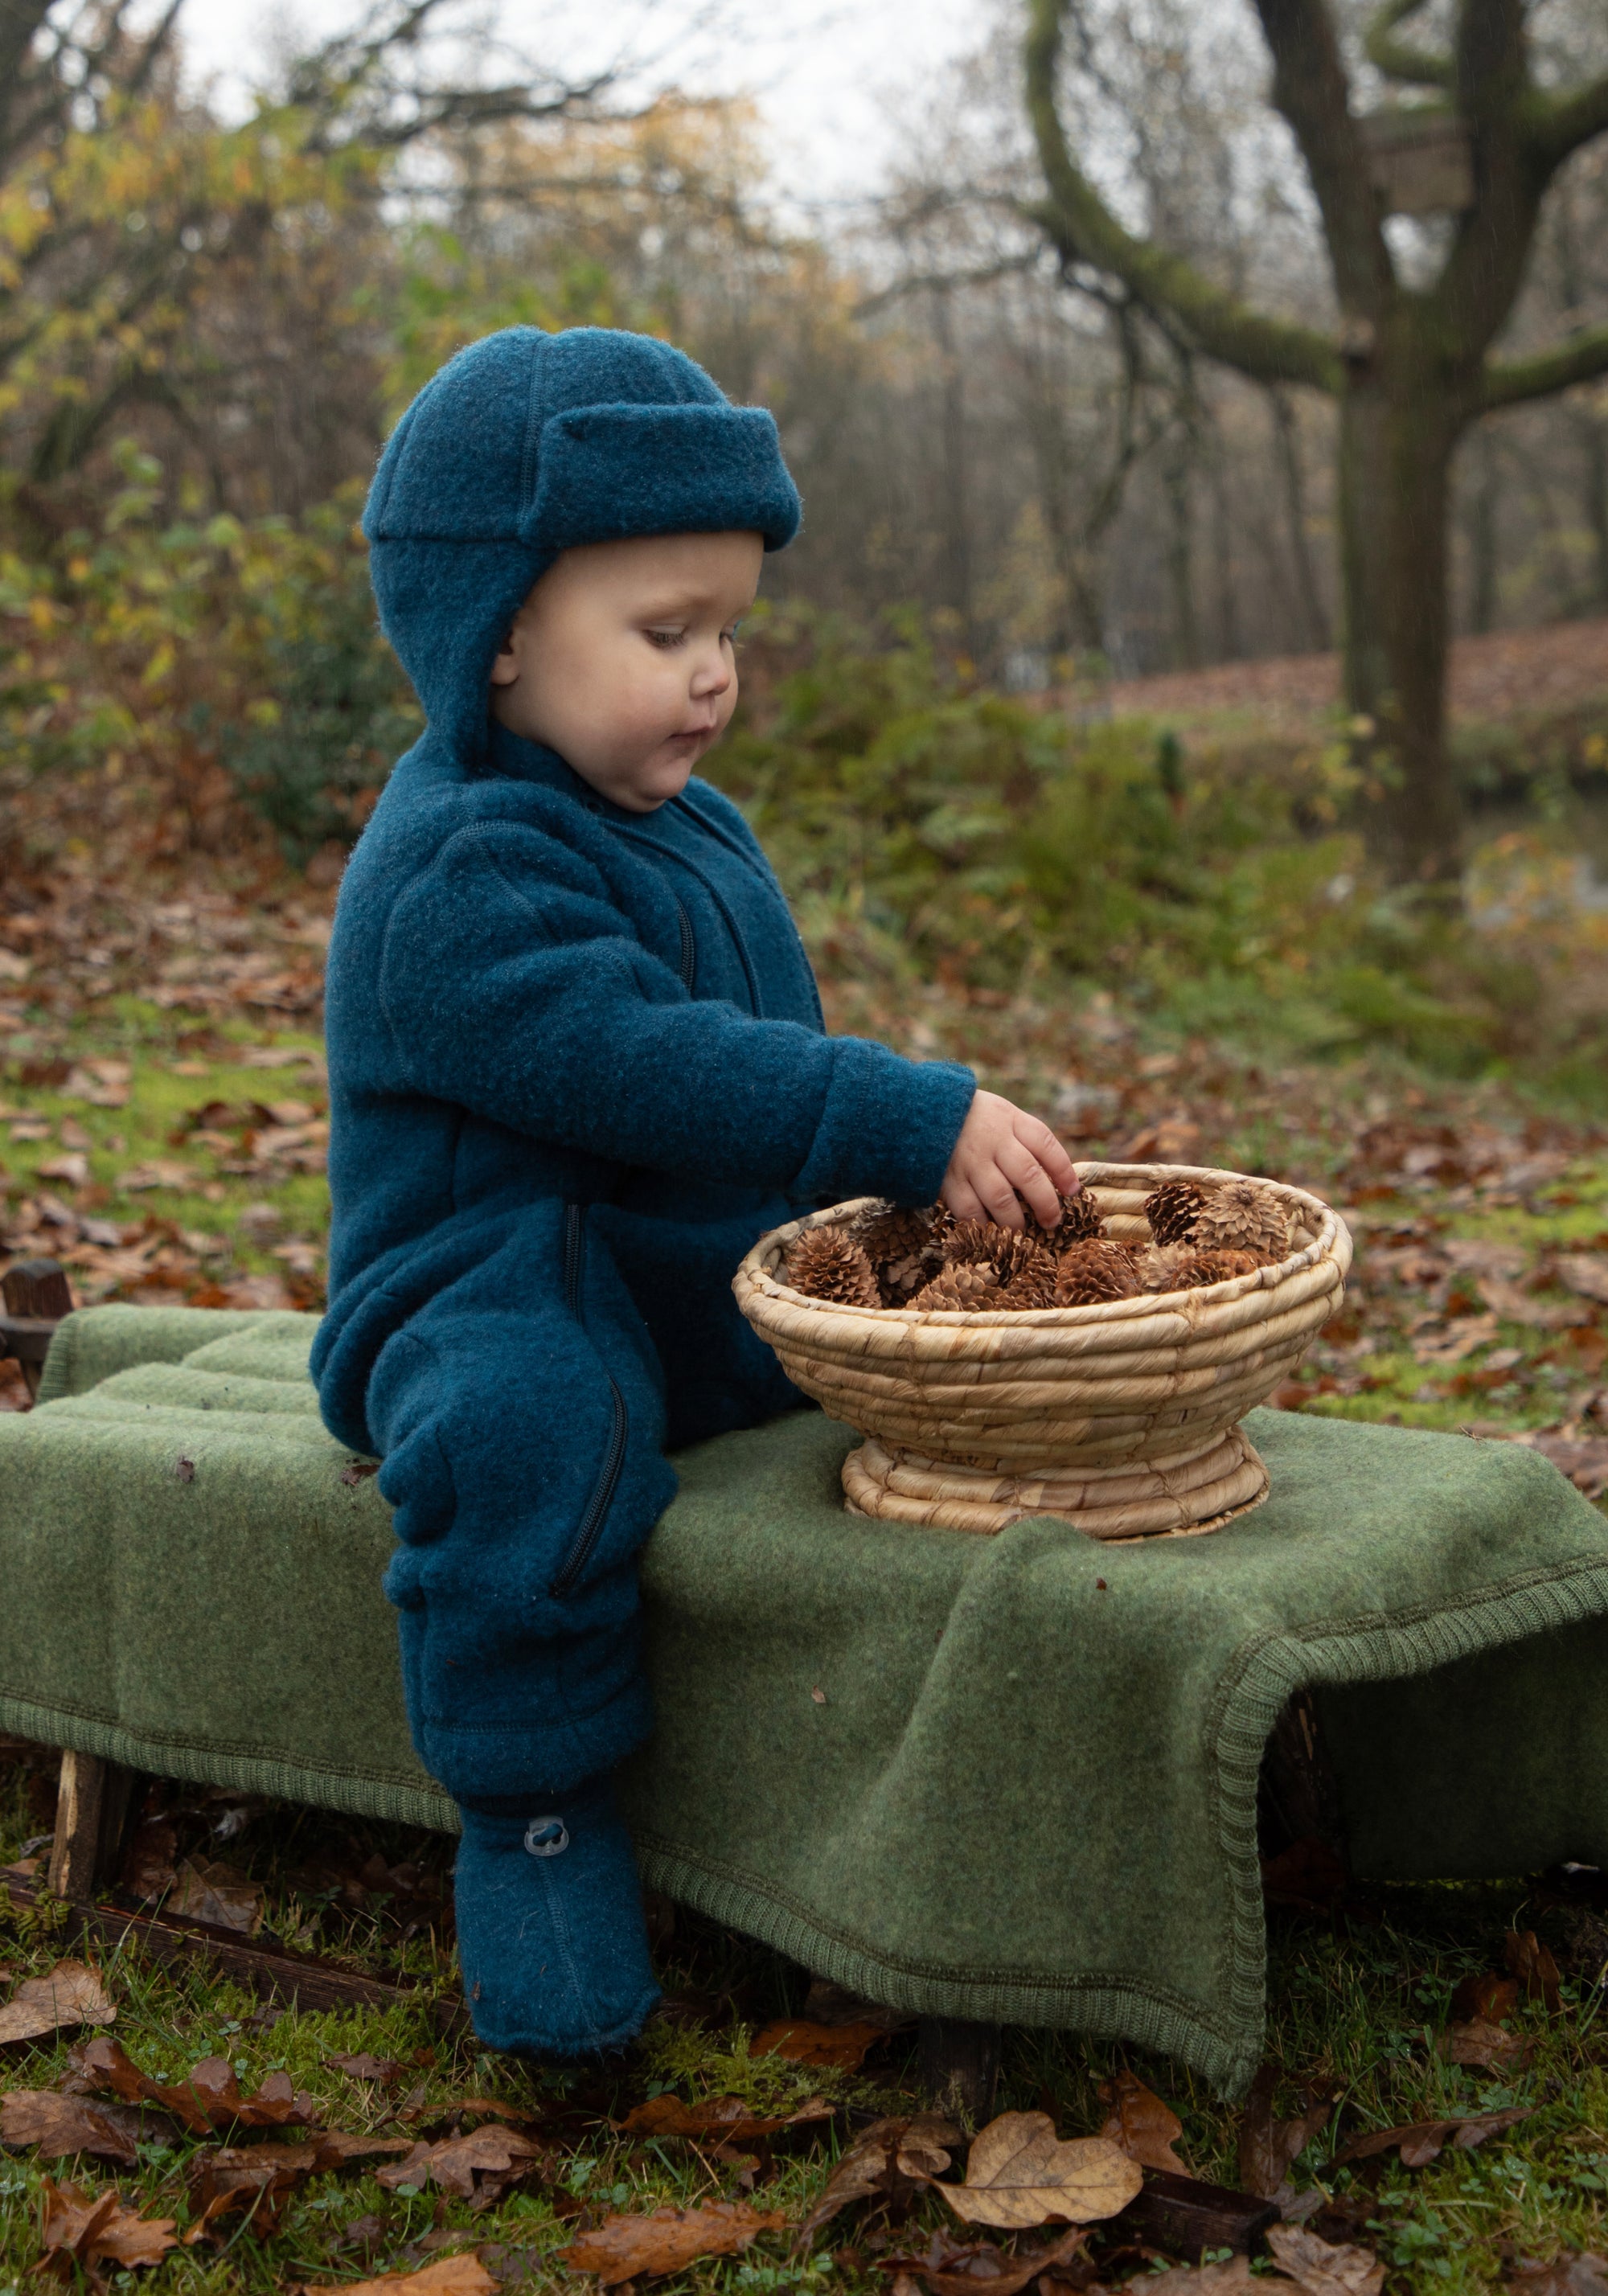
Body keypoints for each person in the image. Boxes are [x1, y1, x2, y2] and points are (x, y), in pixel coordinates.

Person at [312, 324, 1077, 2057]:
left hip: (670, 1254)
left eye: (727, 629)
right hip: (480, 1271)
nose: (715, 674)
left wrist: (903, 1181)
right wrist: (891, 1112)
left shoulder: (691, 820)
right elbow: (638, 1055)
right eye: (665, 634)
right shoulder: (455, 861)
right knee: (529, 1434)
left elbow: (750, 1058)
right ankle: (536, 1817)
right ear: (497, 629)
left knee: (896, 1320)